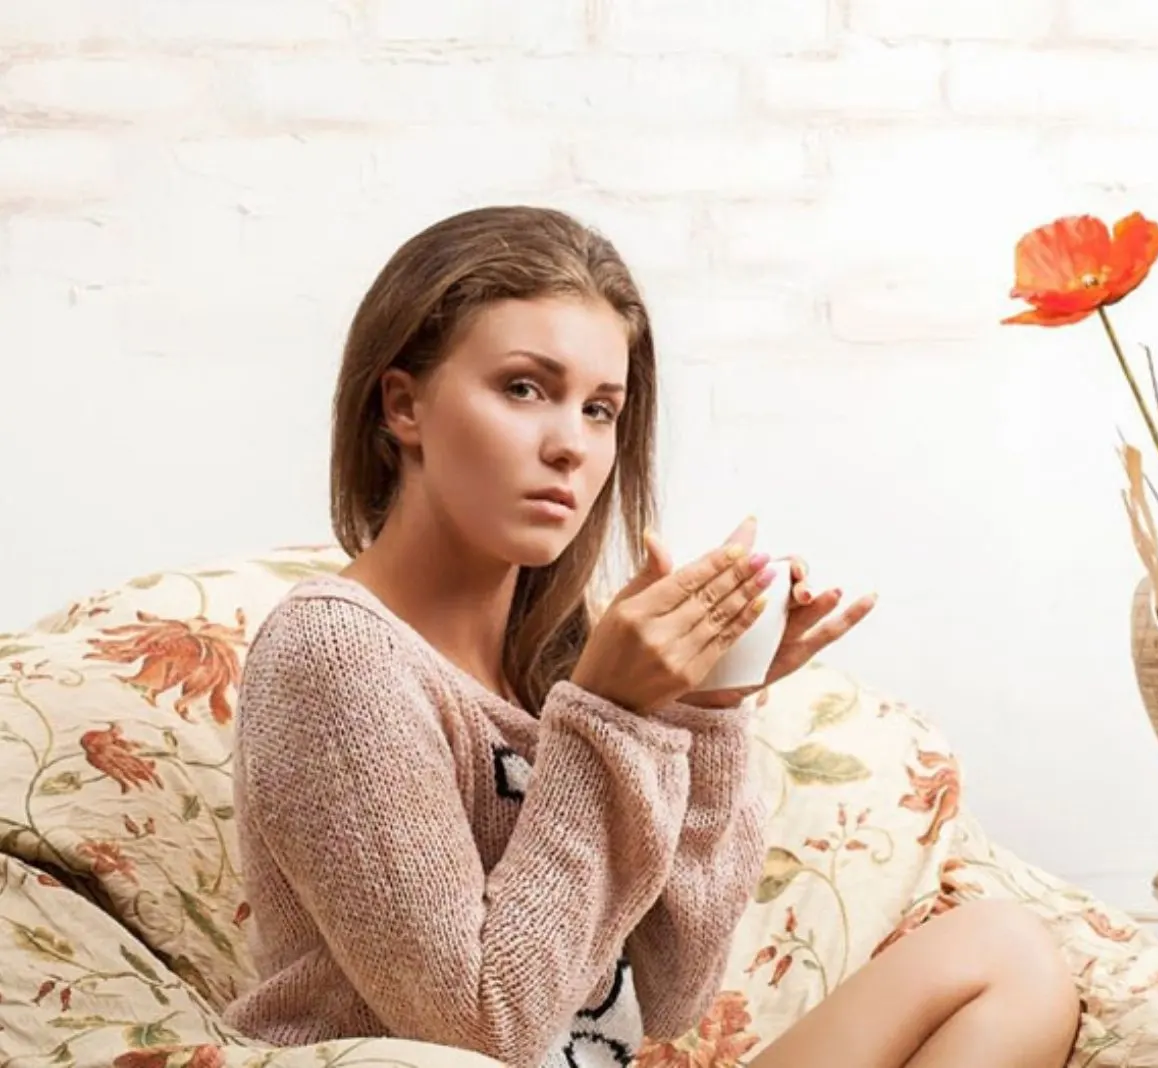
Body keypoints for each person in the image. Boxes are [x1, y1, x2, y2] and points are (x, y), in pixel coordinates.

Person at [223, 205, 1082, 1068]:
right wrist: (607, 715)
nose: (571, 447)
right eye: (524, 388)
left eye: (601, 410)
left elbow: (673, 995)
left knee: (1006, 959)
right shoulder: (335, 655)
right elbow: (482, 1031)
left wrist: (704, 708)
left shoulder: (559, 659)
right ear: (403, 405)